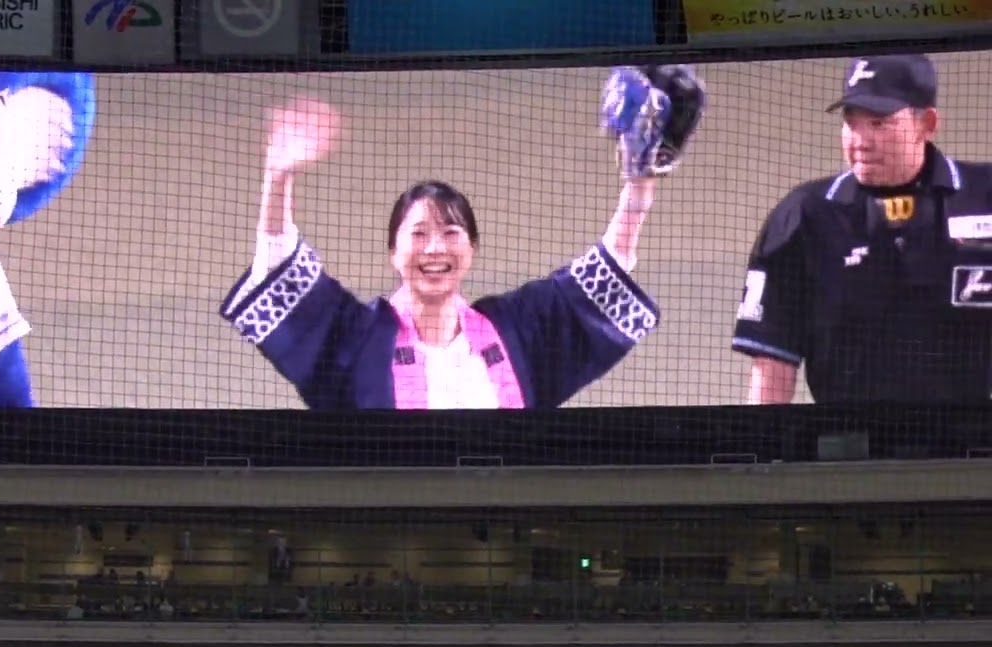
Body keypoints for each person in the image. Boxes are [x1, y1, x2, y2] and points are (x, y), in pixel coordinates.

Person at [220, 68, 704, 410]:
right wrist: (278, 175)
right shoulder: (356, 337)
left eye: (451, 233)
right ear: (393, 253)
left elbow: (606, 268)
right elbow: (278, 262)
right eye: (419, 234)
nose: (435, 248)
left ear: (471, 249)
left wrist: (640, 183)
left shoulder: (519, 329)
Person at [732, 54, 992, 404]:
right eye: (851, 122)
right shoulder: (805, 214)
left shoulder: (984, 196)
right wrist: (762, 438)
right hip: (846, 435)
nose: (860, 140)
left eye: (879, 123)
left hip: (972, 435)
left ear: (927, 124)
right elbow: (772, 362)